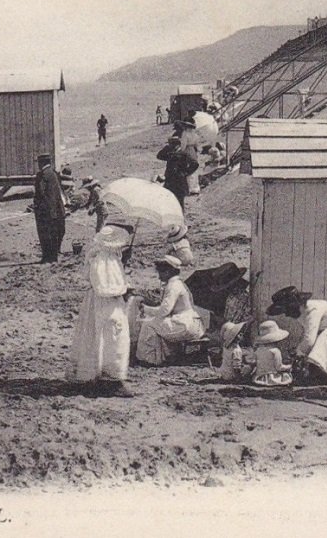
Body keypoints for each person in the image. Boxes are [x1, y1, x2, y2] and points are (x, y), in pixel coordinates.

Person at [68, 226, 133, 397]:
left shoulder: (105, 256)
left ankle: (99, 376)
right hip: (105, 304)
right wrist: (124, 289)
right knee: (113, 339)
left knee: (98, 339)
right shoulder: (103, 259)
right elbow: (104, 287)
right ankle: (111, 380)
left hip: (102, 304)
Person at [266, 285, 327, 385]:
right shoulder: (302, 313)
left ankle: (325, 376)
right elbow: (308, 333)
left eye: (287, 310)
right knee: (320, 342)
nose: (287, 315)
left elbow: (309, 340)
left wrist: (298, 354)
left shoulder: (313, 310)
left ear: (295, 306)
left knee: (323, 338)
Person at [136, 255, 208, 366]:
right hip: (190, 323)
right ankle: (164, 355)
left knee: (148, 324)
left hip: (185, 325)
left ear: (168, 272)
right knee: (155, 323)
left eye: (161, 272)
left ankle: (149, 359)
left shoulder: (173, 286)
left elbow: (164, 310)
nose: (159, 277)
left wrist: (146, 309)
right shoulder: (178, 283)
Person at [32, 153, 65, 263]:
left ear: (42, 163)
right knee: (53, 234)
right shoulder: (53, 173)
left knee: (44, 234)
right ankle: (53, 257)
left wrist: (36, 205)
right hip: (55, 209)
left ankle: (47, 257)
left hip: (45, 210)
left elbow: (41, 193)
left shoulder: (42, 175)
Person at [252, 320, 293, 386]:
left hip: (259, 378)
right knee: (286, 375)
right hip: (272, 378)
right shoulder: (275, 351)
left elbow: (254, 363)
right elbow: (278, 367)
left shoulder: (258, 350)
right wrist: (289, 367)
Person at [156, 137, 195, 207]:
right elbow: (159, 156)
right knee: (169, 199)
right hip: (170, 179)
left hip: (179, 181)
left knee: (179, 201)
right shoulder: (170, 153)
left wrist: (186, 173)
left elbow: (195, 164)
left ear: (176, 144)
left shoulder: (184, 154)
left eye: (171, 144)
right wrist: (166, 149)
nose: (170, 146)